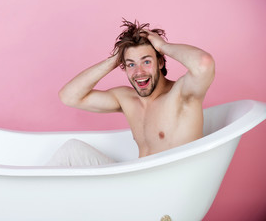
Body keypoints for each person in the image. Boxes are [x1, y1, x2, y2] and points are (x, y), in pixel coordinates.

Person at [55, 19, 215, 164]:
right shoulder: (126, 99)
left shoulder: (181, 95)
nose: (139, 72)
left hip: (170, 186)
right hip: (137, 184)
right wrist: (114, 60)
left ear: (160, 62)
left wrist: (163, 47)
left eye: (146, 61)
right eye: (131, 64)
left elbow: (203, 64)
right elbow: (69, 97)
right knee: (71, 151)